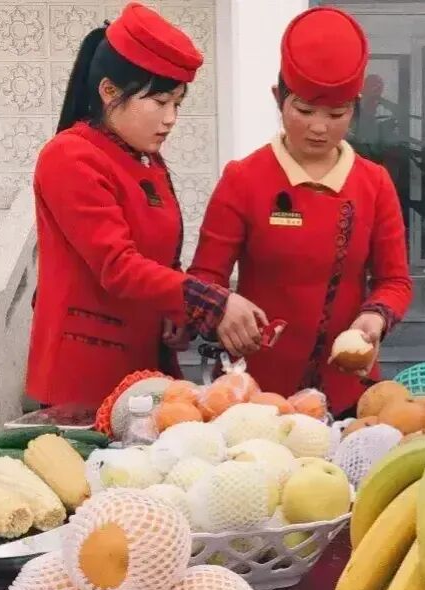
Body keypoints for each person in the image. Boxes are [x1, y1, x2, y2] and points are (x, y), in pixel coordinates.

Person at [26, 2, 266, 410]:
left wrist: (177, 312)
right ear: (109, 92)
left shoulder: (147, 162)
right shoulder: (69, 156)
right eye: (159, 101)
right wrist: (210, 303)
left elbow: (158, 259)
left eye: (177, 104)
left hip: (146, 371)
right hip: (85, 379)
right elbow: (117, 265)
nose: (171, 118)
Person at [188, 7, 413, 417]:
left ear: (355, 108)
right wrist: (221, 310)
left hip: (348, 394)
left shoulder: (374, 183)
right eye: (304, 110)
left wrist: (374, 317)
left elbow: (394, 281)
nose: (319, 127)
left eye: (337, 114)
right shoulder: (243, 178)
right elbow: (204, 277)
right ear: (278, 98)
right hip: (254, 395)